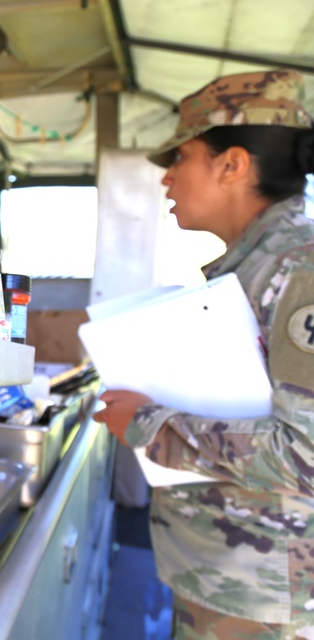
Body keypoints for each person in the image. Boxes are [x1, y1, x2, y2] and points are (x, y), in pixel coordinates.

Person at [94, 70, 314, 637]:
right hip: (232, 583)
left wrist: (146, 423)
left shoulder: (300, 270)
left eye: (181, 157)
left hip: (270, 601)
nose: (165, 178)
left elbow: (305, 456)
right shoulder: (258, 265)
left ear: (232, 164)